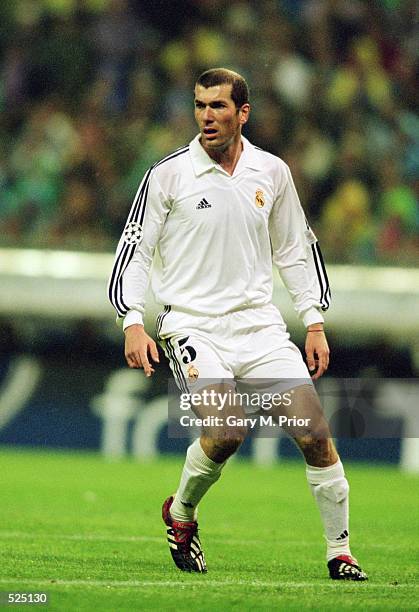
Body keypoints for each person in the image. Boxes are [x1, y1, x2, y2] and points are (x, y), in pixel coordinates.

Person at [108, 68, 367, 581]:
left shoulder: (271, 172)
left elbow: (295, 248)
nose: (207, 115)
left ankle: (340, 553)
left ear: (242, 113)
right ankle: (181, 512)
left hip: (260, 327)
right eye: (200, 105)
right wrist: (132, 320)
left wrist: (313, 320)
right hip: (193, 326)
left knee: (315, 434)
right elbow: (135, 251)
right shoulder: (169, 174)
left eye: (218, 106)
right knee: (225, 431)